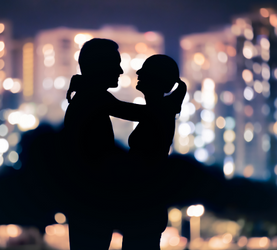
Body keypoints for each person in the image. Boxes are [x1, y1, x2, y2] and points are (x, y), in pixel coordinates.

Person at [62, 38, 185, 250]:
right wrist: (170, 104)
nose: (121, 71)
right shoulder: (93, 98)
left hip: (106, 204)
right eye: (115, 64)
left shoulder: (89, 97)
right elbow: (134, 113)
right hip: (94, 205)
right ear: (100, 67)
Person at [116, 55, 186, 250]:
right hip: (145, 204)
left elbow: (116, 108)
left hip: (144, 206)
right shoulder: (159, 110)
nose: (138, 74)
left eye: (145, 72)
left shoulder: (158, 112)